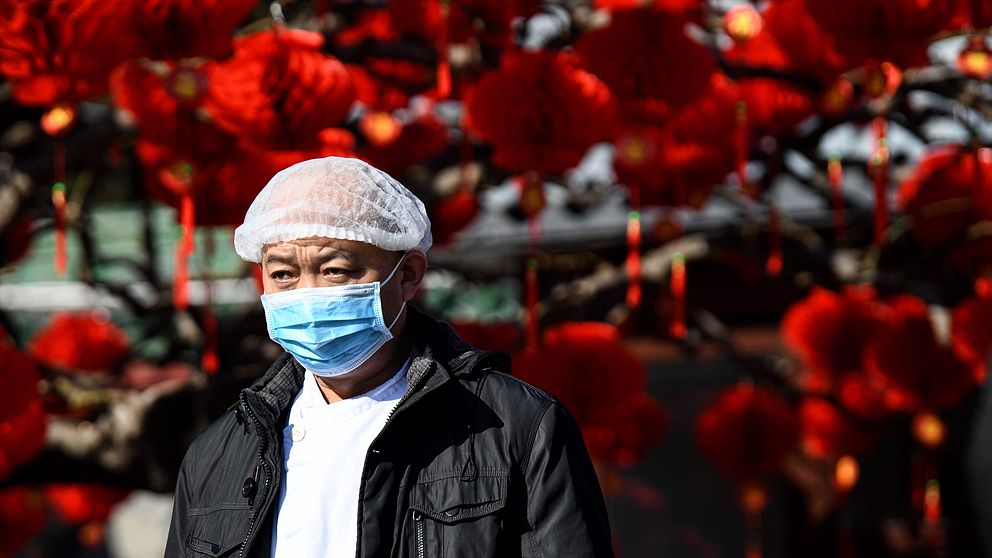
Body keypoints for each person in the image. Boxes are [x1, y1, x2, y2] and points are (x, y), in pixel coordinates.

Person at [164, 157, 613, 557]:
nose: (306, 294)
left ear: (408, 275)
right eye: (282, 274)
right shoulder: (220, 452)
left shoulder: (516, 427)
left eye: (335, 270)